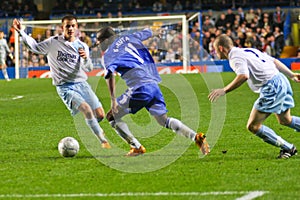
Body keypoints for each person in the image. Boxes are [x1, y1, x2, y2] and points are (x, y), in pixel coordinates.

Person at [95, 26, 210, 156]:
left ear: (106, 40)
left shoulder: (109, 55)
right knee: (163, 120)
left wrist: (113, 100)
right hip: (153, 84)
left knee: (112, 116)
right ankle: (196, 137)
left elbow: (109, 75)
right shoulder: (128, 38)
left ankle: (136, 147)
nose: (97, 44)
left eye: (99, 41)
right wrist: (156, 32)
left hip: (139, 87)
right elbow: (146, 32)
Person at [12, 15, 111, 149]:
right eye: (67, 26)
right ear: (62, 27)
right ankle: (103, 140)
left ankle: (93, 125)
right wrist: (21, 32)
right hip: (65, 87)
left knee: (100, 114)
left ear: (76, 28)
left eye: (73, 26)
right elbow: (34, 47)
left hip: (82, 84)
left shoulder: (82, 46)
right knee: (87, 110)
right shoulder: (53, 42)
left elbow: (88, 68)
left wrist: (86, 58)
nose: (70, 28)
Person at [208, 34, 300, 159]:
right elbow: (274, 61)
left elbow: (243, 75)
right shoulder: (247, 50)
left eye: (215, 50)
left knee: (253, 126)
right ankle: (288, 148)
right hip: (281, 80)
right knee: (285, 120)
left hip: (271, 87)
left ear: (221, 48)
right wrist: (291, 75)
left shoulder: (235, 57)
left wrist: (224, 90)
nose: (215, 53)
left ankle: (288, 148)